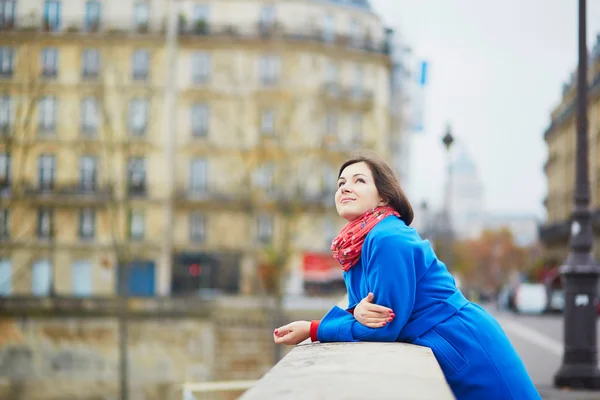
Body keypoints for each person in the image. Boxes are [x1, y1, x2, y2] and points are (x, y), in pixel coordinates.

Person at [273, 151, 540, 400]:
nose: (344, 187)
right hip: (449, 342)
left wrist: (313, 329)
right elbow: (369, 310)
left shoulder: (387, 237)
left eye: (359, 180)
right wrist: (356, 313)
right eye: (341, 182)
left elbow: (384, 326)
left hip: (464, 343)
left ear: (383, 197)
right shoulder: (355, 245)